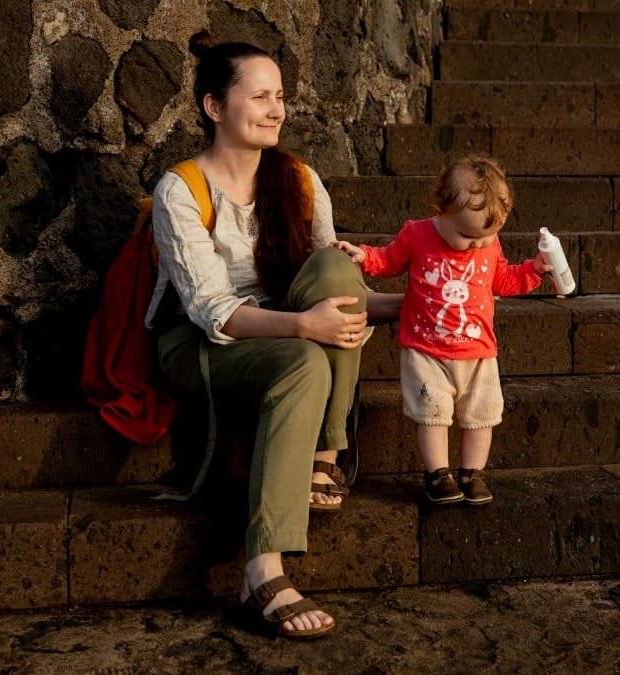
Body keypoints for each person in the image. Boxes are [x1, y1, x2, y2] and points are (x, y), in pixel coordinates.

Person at [150, 31, 399, 639]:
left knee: (337, 263)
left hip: (286, 328)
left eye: (280, 97)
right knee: (303, 360)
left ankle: (324, 456)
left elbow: (340, 292)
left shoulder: (300, 179)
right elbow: (214, 310)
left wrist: (425, 303)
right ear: (214, 107)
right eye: (260, 97)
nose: (276, 110)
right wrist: (303, 326)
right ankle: (263, 568)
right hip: (200, 344)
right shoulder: (181, 190)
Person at [332, 155, 552, 506]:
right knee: (432, 413)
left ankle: (472, 473)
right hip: (426, 349)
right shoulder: (417, 234)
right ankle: (438, 473)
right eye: (466, 235)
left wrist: (534, 271)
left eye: (487, 236)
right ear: (441, 209)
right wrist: (363, 255)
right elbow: (389, 260)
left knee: (481, 416)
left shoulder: (488, 242)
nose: (477, 244)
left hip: (478, 351)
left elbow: (503, 279)